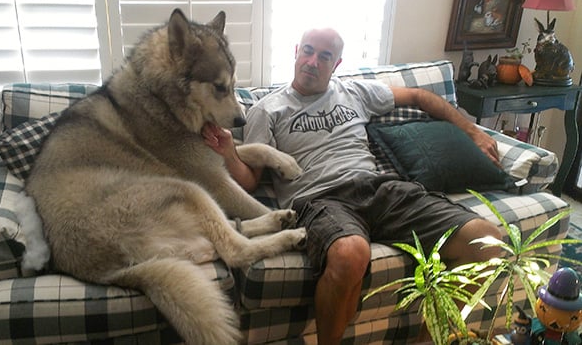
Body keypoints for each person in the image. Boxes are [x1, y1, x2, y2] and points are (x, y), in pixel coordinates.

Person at [202, 27, 502, 344]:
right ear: (296, 52)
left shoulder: (354, 92)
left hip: (381, 188)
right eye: (307, 51)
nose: (312, 61)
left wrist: (473, 132)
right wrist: (228, 152)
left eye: (324, 56)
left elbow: (418, 97)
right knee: (350, 254)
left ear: (337, 63)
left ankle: (428, 340)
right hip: (321, 199)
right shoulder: (268, 109)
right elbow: (250, 179)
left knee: (488, 241)